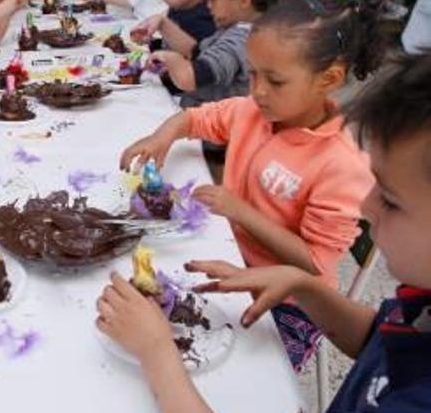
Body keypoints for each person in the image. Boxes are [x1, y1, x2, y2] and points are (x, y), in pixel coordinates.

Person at [98, 52, 431, 413]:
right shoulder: (419, 303)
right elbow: (375, 339)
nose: (366, 206)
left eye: (392, 200)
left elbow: (319, 259)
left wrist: (157, 355)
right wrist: (300, 285)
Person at [120, 0, 388, 370]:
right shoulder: (253, 112)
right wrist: (161, 137)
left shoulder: (342, 164)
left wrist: (241, 211)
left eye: (275, 81)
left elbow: (314, 264)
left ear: (329, 79)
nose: (257, 91)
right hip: (231, 255)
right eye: (253, 73)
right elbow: (194, 119)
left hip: (288, 303)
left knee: (228, 375)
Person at [147, 0, 291, 106]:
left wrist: (169, 58)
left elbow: (190, 78)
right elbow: (194, 51)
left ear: (243, 0)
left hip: (210, 127)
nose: (207, 5)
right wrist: (163, 24)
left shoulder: (241, 39)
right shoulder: (244, 29)